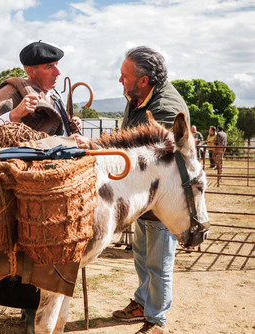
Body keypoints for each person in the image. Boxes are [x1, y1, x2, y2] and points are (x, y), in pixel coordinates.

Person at [0, 40, 84, 334]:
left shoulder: (55, 97)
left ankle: (46, 308)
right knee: (32, 250)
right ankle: (32, 314)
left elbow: (58, 135)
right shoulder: (13, 91)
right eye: (50, 66)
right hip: (27, 186)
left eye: (56, 65)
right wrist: (15, 114)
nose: (56, 71)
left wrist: (70, 127)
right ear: (31, 70)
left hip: (57, 182)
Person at [112, 46, 190, 334]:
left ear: (143, 80)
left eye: (124, 75)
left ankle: (157, 321)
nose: (120, 80)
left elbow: (155, 161)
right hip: (143, 198)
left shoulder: (165, 109)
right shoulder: (137, 99)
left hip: (162, 200)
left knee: (159, 264)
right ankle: (143, 302)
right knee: (143, 257)